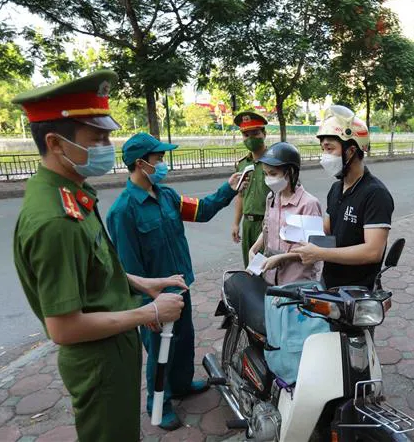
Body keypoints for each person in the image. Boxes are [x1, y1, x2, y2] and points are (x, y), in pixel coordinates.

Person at [12, 70, 186, 442]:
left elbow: (94, 270)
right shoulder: (55, 219)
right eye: (98, 138)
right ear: (57, 143)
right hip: (98, 361)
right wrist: (149, 313)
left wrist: (142, 283)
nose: (108, 145)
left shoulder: (72, 192)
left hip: (114, 346)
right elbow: (64, 327)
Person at [106, 133, 244, 430]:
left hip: (180, 286)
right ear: (141, 164)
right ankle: (159, 404)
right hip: (155, 299)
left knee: (183, 340)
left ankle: (181, 384)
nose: (163, 164)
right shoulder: (123, 211)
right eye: (158, 159)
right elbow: (127, 267)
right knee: (158, 353)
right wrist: (147, 307)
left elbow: (202, 210)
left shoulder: (166, 195)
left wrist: (228, 190)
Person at [293, 105, 394, 290]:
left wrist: (320, 253)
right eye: (323, 149)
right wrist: (291, 229)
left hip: (358, 291)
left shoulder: (375, 194)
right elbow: (326, 230)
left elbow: (373, 251)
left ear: (351, 151)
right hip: (329, 282)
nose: (324, 156)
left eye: (330, 148)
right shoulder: (336, 188)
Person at [248, 141, 323, 285]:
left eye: (273, 174)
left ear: (291, 172)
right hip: (270, 276)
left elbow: (313, 250)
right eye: (265, 174)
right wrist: (254, 249)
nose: (268, 179)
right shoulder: (272, 198)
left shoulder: (308, 204)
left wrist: (282, 258)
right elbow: (267, 229)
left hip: (296, 280)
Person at [231, 112, 271, 267]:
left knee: (265, 268)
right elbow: (241, 195)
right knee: (249, 266)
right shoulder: (241, 164)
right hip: (247, 224)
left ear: (264, 134)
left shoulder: (275, 161)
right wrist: (236, 223)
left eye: (255, 133)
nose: (250, 138)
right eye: (246, 135)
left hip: (267, 224)